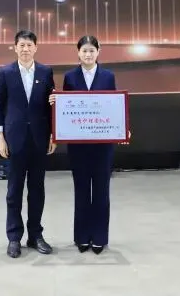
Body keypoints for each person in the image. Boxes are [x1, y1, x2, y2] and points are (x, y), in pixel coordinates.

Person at [50, 35, 120, 254]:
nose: (88, 54)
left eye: (92, 50)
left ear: (98, 52)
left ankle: (99, 237)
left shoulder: (108, 76)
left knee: (101, 190)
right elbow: (65, 108)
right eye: (84, 51)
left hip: (102, 144)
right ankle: (81, 237)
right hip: (78, 144)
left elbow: (114, 106)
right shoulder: (70, 77)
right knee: (81, 190)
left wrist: (121, 127)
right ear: (78, 53)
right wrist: (56, 101)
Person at [0, 29, 56, 259]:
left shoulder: (46, 72)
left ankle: (35, 235)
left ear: (36, 48)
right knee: (14, 191)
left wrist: (53, 135)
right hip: (14, 139)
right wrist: (0, 137)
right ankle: (14, 237)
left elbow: (51, 106)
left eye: (29, 45)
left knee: (37, 190)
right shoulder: (5, 73)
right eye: (22, 45)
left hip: (40, 138)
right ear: (15, 47)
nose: (26, 49)